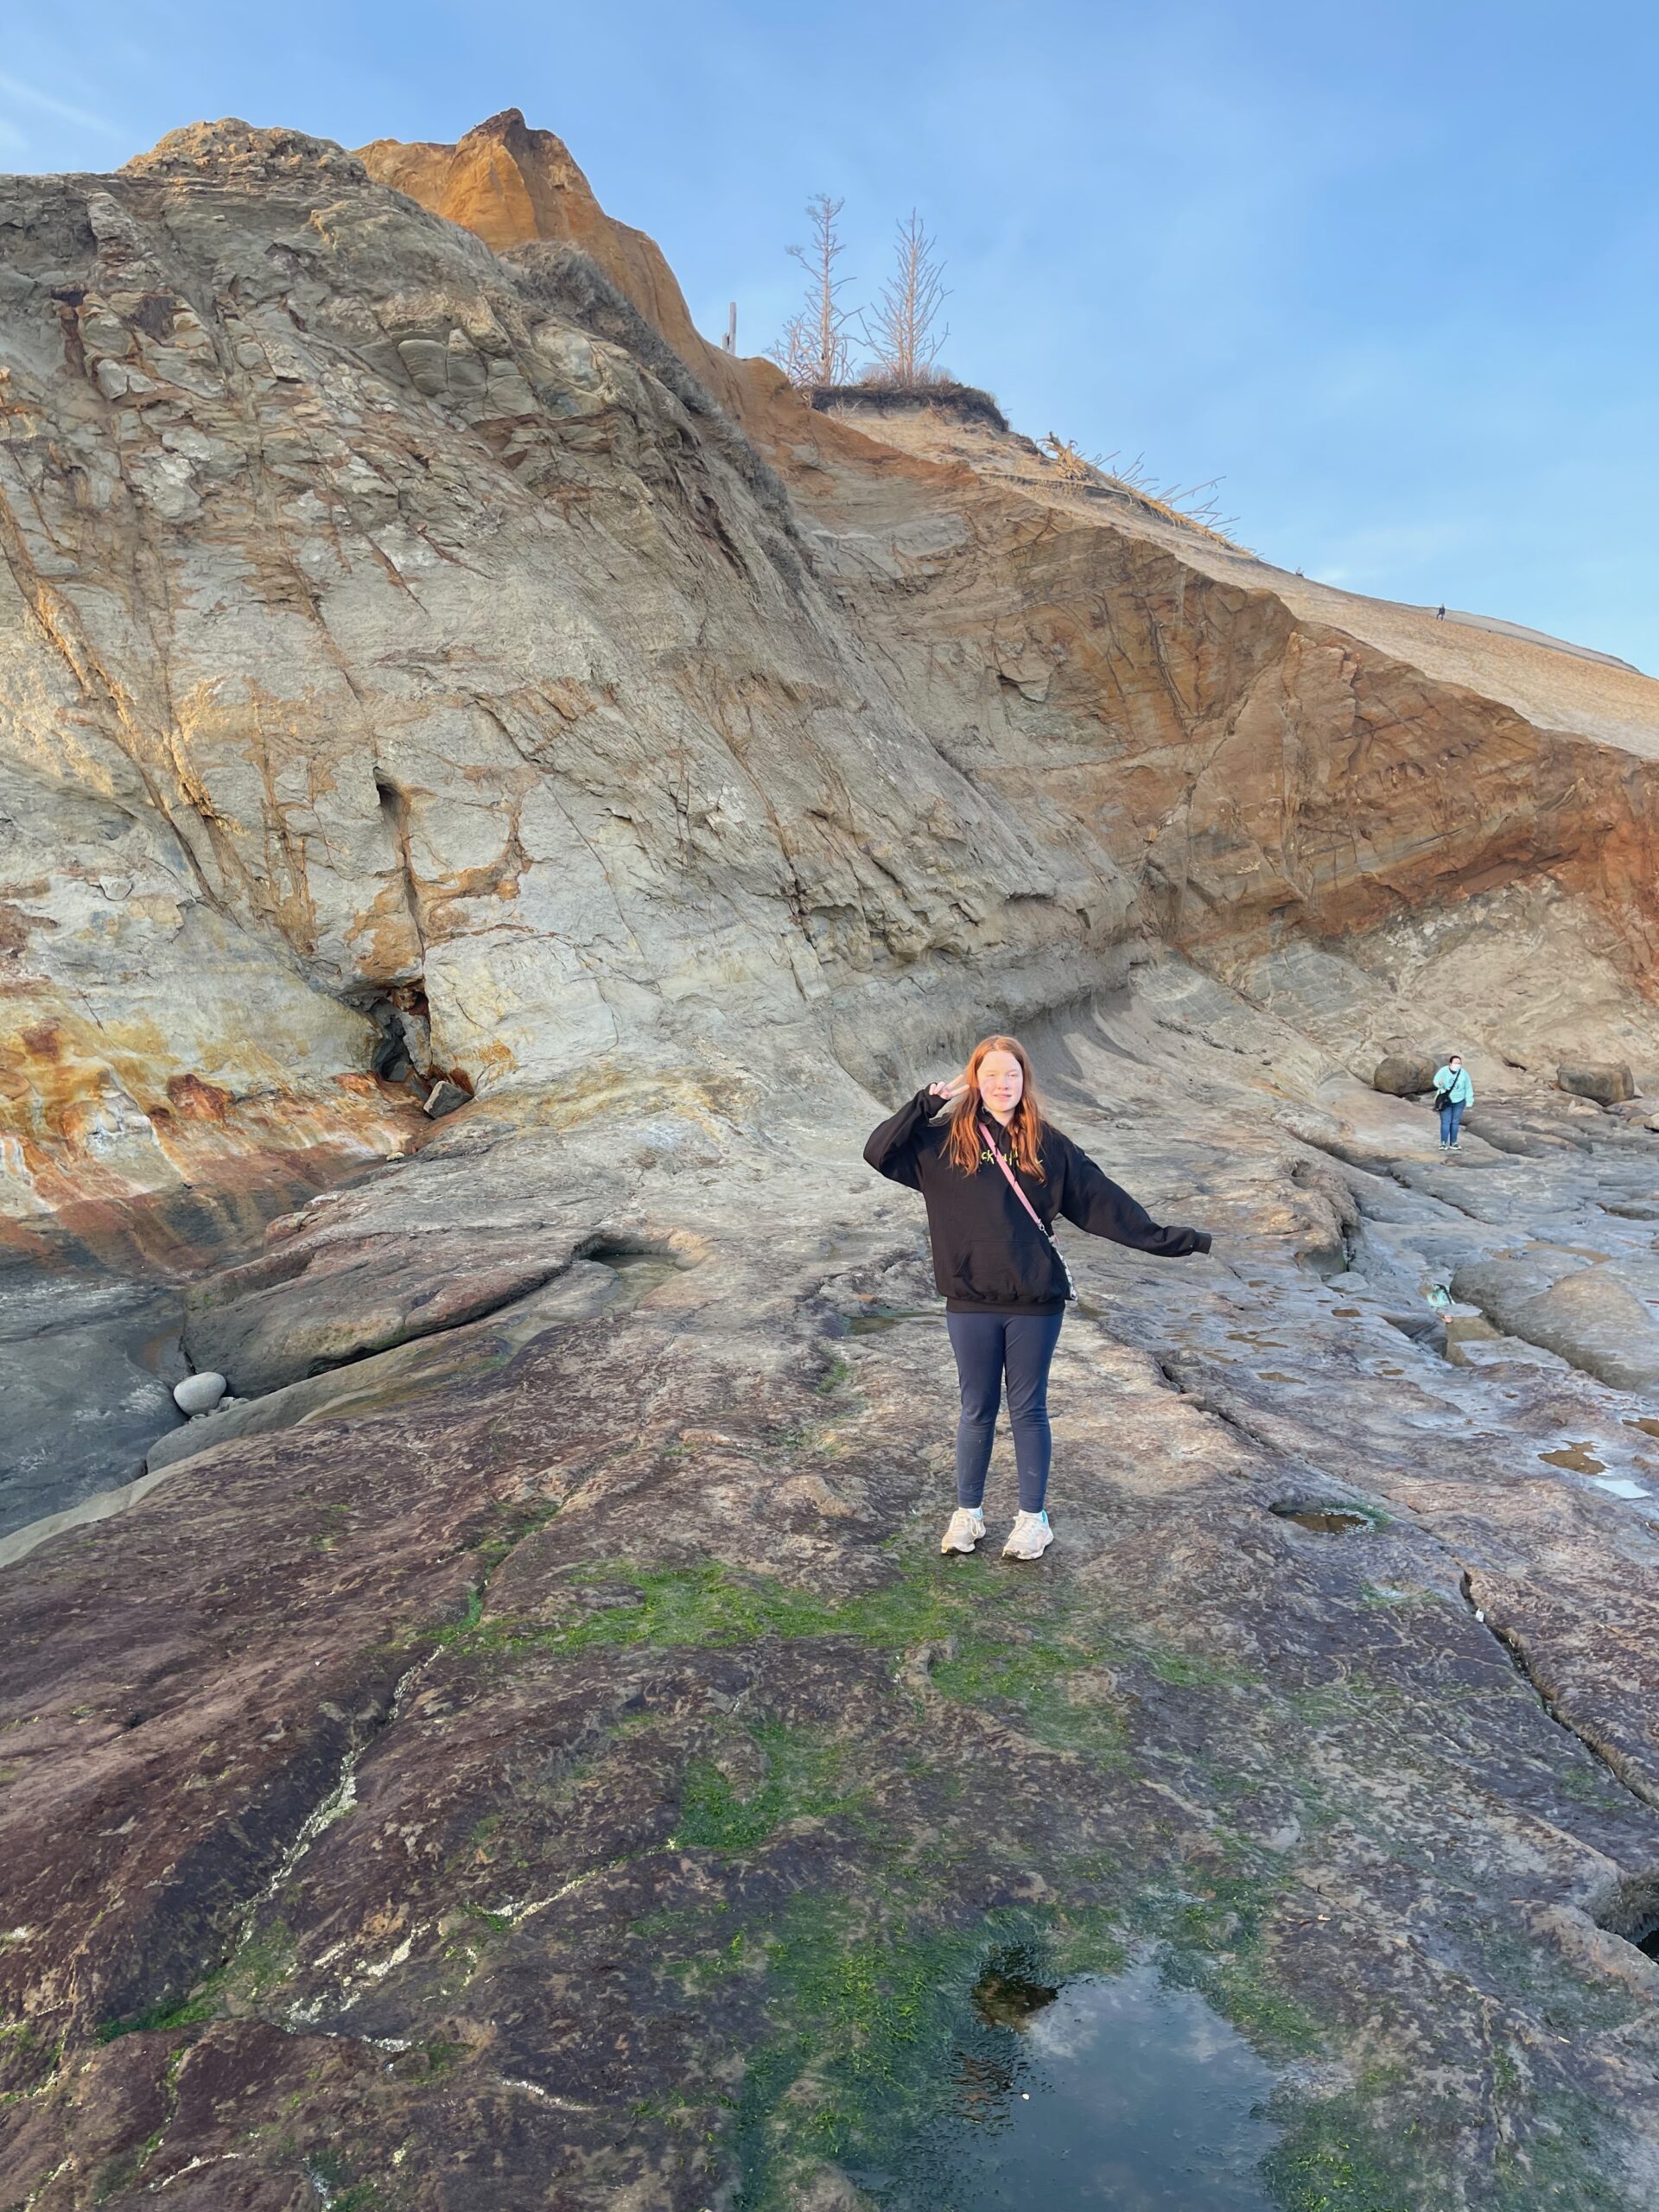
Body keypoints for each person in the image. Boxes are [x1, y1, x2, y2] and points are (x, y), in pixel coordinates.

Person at [862, 1034, 1212, 1560]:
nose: (1001, 1085)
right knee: (975, 1409)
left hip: (1034, 1301)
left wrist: (1175, 1240)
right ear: (973, 1082)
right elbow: (878, 1151)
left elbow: (1105, 1206)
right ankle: (969, 1514)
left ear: (1025, 1081)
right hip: (970, 1299)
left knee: (1028, 1410)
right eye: (990, 1075)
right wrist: (926, 1103)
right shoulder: (940, 1145)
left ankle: (1033, 1519)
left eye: (1011, 1075)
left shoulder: (1048, 1145)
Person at [1433, 1054, 1472, 1149]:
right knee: (1446, 1122)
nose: (1457, 1065)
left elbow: (1468, 1086)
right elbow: (1436, 1081)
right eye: (1455, 1063)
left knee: (1455, 1122)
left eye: (1459, 1063)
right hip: (1446, 1101)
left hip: (1459, 1101)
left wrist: (1469, 1100)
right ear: (1450, 1063)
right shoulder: (1443, 1071)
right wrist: (1440, 1084)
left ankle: (1453, 1142)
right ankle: (1443, 1143)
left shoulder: (1463, 1073)